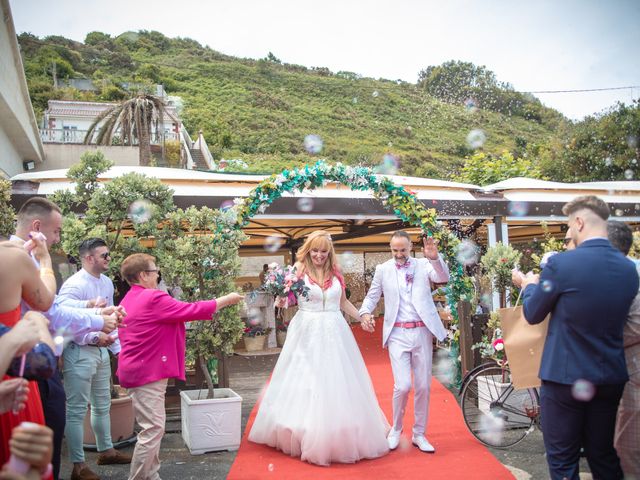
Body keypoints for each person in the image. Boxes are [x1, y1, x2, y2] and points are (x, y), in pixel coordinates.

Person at [513, 196, 638, 480]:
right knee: (603, 455)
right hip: (609, 376)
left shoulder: (562, 265)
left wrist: (530, 285)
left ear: (579, 222)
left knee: (562, 459)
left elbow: (533, 314)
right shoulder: (628, 270)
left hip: (565, 378)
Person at [248, 231, 390, 466]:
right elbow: (287, 301)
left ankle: (335, 430)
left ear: (329, 252)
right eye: (315, 250)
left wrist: (362, 316)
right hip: (306, 331)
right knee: (306, 380)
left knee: (337, 381)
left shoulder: (336, 273)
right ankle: (303, 430)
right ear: (308, 250)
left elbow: (343, 302)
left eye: (324, 251)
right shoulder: (297, 271)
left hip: (335, 330)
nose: (319, 255)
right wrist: (282, 298)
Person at [11, 197, 120, 480]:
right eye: (57, 231)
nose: (59, 238)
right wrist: (98, 322)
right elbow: (52, 311)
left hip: (30, 357)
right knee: (52, 427)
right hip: (29, 359)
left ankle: (99, 453)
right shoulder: (20, 257)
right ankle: (77, 466)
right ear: (37, 227)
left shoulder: (24, 255)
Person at [116, 253, 244, 480]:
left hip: (139, 370)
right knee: (152, 430)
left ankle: (151, 475)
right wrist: (226, 299)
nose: (158, 276)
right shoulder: (152, 298)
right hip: (146, 372)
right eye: (156, 272)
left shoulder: (129, 299)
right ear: (144, 275)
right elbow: (191, 310)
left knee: (152, 428)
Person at [359, 231, 450, 453]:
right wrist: (364, 312)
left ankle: (419, 433)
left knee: (423, 386)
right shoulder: (383, 270)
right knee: (402, 386)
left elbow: (442, 277)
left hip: (421, 332)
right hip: (397, 334)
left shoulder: (423, 264)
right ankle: (396, 429)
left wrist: (435, 258)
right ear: (390, 249)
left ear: (410, 247)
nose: (399, 255)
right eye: (395, 250)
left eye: (403, 250)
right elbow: (372, 296)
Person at [56, 238, 131, 480]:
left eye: (108, 254)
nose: (109, 258)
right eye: (104, 255)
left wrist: (117, 349)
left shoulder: (107, 282)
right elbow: (62, 319)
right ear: (89, 258)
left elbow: (113, 318)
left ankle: (107, 451)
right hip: (78, 351)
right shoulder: (73, 285)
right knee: (76, 410)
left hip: (99, 351)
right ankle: (78, 466)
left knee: (102, 405)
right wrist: (93, 337)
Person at [607, 220, 640, 478]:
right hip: (622, 371)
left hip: (634, 371)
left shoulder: (631, 275)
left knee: (627, 447)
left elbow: (635, 328)